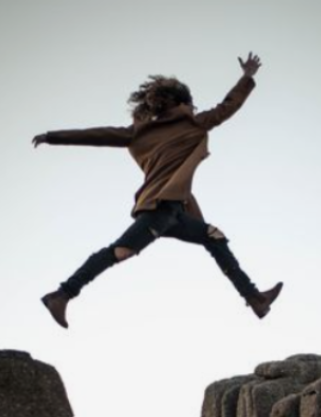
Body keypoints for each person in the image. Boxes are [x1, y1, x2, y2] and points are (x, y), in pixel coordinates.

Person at [32, 52, 282, 329]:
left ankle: (255, 298)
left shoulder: (138, 132)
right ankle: (62, 294)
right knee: (120, 251)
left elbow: (96, 134)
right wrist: (246, 77)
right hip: (159, 209)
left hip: (175, 210)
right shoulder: (193, 122)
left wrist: (53, 136)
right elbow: (228, 106)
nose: (192, 106)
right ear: (182, 102)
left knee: (215, 237)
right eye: (189, 101)